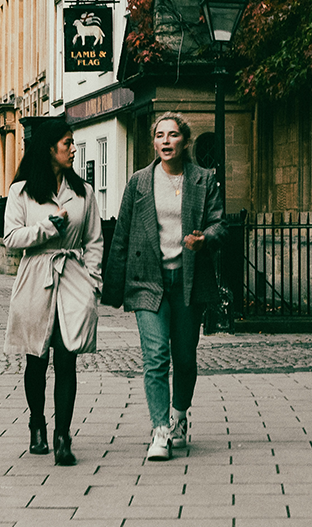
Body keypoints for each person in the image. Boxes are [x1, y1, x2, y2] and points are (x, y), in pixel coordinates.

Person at [103, 112, 227, 461]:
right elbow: (123, 234)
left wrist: (205, 238)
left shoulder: (203, 180)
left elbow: (221, 224)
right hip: (148, 281)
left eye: (173, 135)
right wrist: (112, 287)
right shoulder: (140, 182)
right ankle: (160, 430)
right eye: (160, 135)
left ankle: (179, 415)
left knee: (185, 359)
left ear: (184, 141)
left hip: (188, 281)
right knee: (156, 357)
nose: (166, 141)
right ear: (154, 142)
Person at [3, 118, 103, 466]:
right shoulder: (22, 192)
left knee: (67, 357)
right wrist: (47, 228)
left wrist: (93, 282)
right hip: (36, 275)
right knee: (36, 358)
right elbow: (12, 238)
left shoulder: (84, 192)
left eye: (73, 143)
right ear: (49, 148)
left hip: (73, 276)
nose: (73, 149)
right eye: (67, 143)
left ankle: (63, 436)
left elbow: (94, 240)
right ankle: (37, 423)